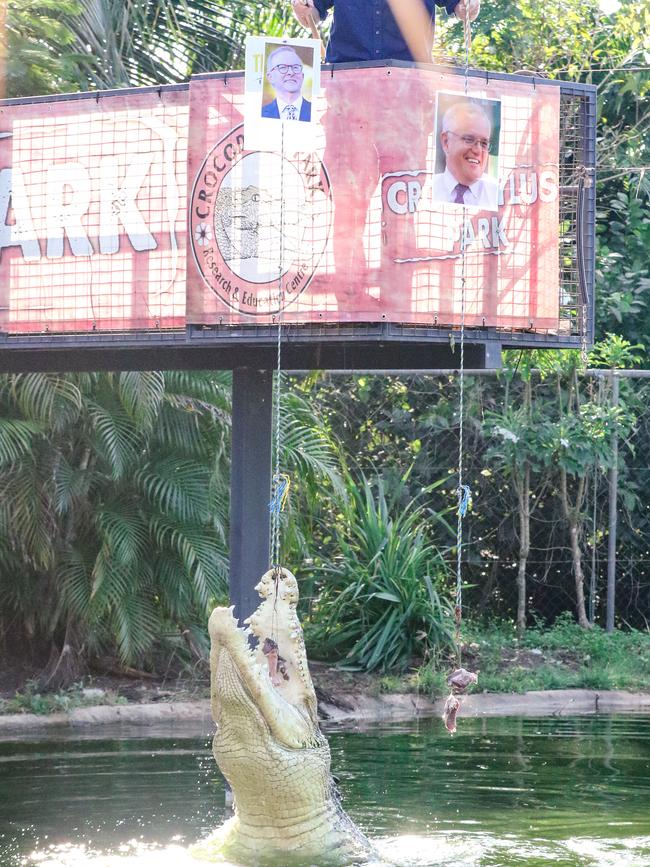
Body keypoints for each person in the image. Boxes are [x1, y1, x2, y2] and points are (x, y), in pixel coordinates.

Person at [291, 0, 480, 64]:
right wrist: (303, 8)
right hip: (347, 82)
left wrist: (468, 7)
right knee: (344, 155)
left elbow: (462, 7)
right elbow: (311, 14)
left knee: (406, 156)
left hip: (409, 84)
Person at [431, 100, 498, 209]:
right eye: (469, 139)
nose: (477, 150)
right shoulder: (425, 190)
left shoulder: (499, 194)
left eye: (484, 143)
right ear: (446, 142)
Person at [261, 46, 312, 122]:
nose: (291, 73)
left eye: (295, 67)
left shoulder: (315, 112)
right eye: (282, 67)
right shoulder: (261, 114)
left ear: (302, 75)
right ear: (270, 77)